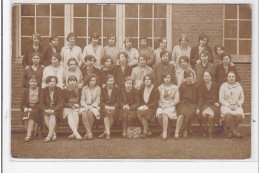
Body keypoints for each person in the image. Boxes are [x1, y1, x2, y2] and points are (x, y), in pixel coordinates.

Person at [175, 69, 199, 140]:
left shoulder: (197, 86)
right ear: (185, 78)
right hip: (183, 103)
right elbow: (178, 96)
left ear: (193, 77)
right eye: (188, 77)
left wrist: (198, 107)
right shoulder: (182, 85)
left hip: (192, 104)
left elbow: (200, 98)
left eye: (191, 76)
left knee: (188, 114)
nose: (190, 78)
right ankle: (177, 132)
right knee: (182, 114)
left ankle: (182, 129)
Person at [219, 71, 244, 138]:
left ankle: (230, 132)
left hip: (236, 106)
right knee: (228, 116)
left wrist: (237, 105)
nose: (231, 78)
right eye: (229, 76)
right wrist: (228, 105)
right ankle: (235, 133)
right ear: (227, 78)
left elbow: (242, 98)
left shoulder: (239, 86)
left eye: (233, 76)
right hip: (226, 106)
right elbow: (221, 99)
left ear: (235, 78)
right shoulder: (223, 86)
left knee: (239, 117)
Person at [156, 73, 179, 140]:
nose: (167, 79)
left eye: (168, 77)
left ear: (171, 78)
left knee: (164, 114)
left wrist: (169, 105)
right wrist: (161, 105)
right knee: (159, 115)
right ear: (163, 79)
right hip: (162, 105)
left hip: (171, 105)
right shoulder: (160, 88)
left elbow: (177, 100)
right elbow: (158, 99)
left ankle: (164, 133)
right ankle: (167, 131)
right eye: (165, 78)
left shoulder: (175, 87)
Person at [41, 76, 64, 143]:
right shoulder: (44, 90)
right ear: (47, 82)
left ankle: (49, 136)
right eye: (50, 81)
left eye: (54, 81)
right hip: (46, 109)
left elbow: (61, 103)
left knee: (52, 116)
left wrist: (54, 110)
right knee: (46, 116)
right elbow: (41, 102)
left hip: (56, 109)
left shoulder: (59, 90)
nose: (52, 83)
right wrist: (45, 109)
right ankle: (53, 134)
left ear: (56, 83)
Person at [20, 75, 43, 142]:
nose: (33, 83)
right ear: (29, 82)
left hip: (37, 108)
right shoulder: (25, 91)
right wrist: (24, 108)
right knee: (25, 113)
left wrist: (32, 108)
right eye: (31, 81)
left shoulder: (40, 90)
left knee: (32, 113)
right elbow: (22, 103)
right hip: (28, 107)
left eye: (34, 82)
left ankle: (29, 134)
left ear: (37, 82)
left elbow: (41, 102)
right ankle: (30, 131)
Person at [198, 71, 220, 139]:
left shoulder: (216, 85)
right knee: (203, 115)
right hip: (205, 104)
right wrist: (199, 108)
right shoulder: (201, 86)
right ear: (203, 77)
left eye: (208, 76)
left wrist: (217, 102)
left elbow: (219, 96)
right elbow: (200, 98)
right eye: (205, 76)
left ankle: (210, 132)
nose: (206, 77)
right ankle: (205, 128)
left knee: (211, 116)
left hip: (214, 105)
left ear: (211, 77)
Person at [98, 75, 121, 140]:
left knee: (112, 113)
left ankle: (105, 132)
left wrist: (114, 106)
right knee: (106, 113)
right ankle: (108, 133)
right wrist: (106, 106)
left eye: (112, 81)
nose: (110, 82)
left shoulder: (117, 89)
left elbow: (118, 101)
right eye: (109, 81)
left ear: (114, 81)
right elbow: (101, 101)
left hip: (114, 107)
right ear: (106, 82)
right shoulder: (103, 90)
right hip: (105, 106)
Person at [137, 74, 159, 138]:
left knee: (143, 113)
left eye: (148, 79)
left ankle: (145, 132)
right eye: (145, 79)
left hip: (152, 108)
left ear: (151, 80)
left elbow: (156, 102)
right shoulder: (142, 89)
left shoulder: (155, 89)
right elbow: (140, 100)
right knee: (138, 113)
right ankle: (147, 129)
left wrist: (148, 107)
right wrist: (142, 106)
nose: (147, 81)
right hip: (144, 106)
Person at [80, 74, 101, 140]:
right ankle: (89, 133)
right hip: (85, 106)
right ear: (88, 81)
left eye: (93, 80)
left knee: (90, 113)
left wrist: (91, 106)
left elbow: (98, 100)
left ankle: (88, 133)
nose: (92, 82)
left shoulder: (98, 88)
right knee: (83, 113)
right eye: (90, 80)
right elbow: (82, 100)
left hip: (94, 106)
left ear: (96, 81)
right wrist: (85, 106)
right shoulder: (84, 88)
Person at [63, 75, 82, 140]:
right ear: (68, 82)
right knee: (70, 115)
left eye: (74, 81)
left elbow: (81, 100)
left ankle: (74, 133)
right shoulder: (65, 90)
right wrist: (71, 106)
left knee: (75, 114)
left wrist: (78, 105)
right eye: (70, 81)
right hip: (67, 107)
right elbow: (63, 102)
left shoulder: (79, 90)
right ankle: (76, 134)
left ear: (76, 82)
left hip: (76, 106)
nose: (72, 82)